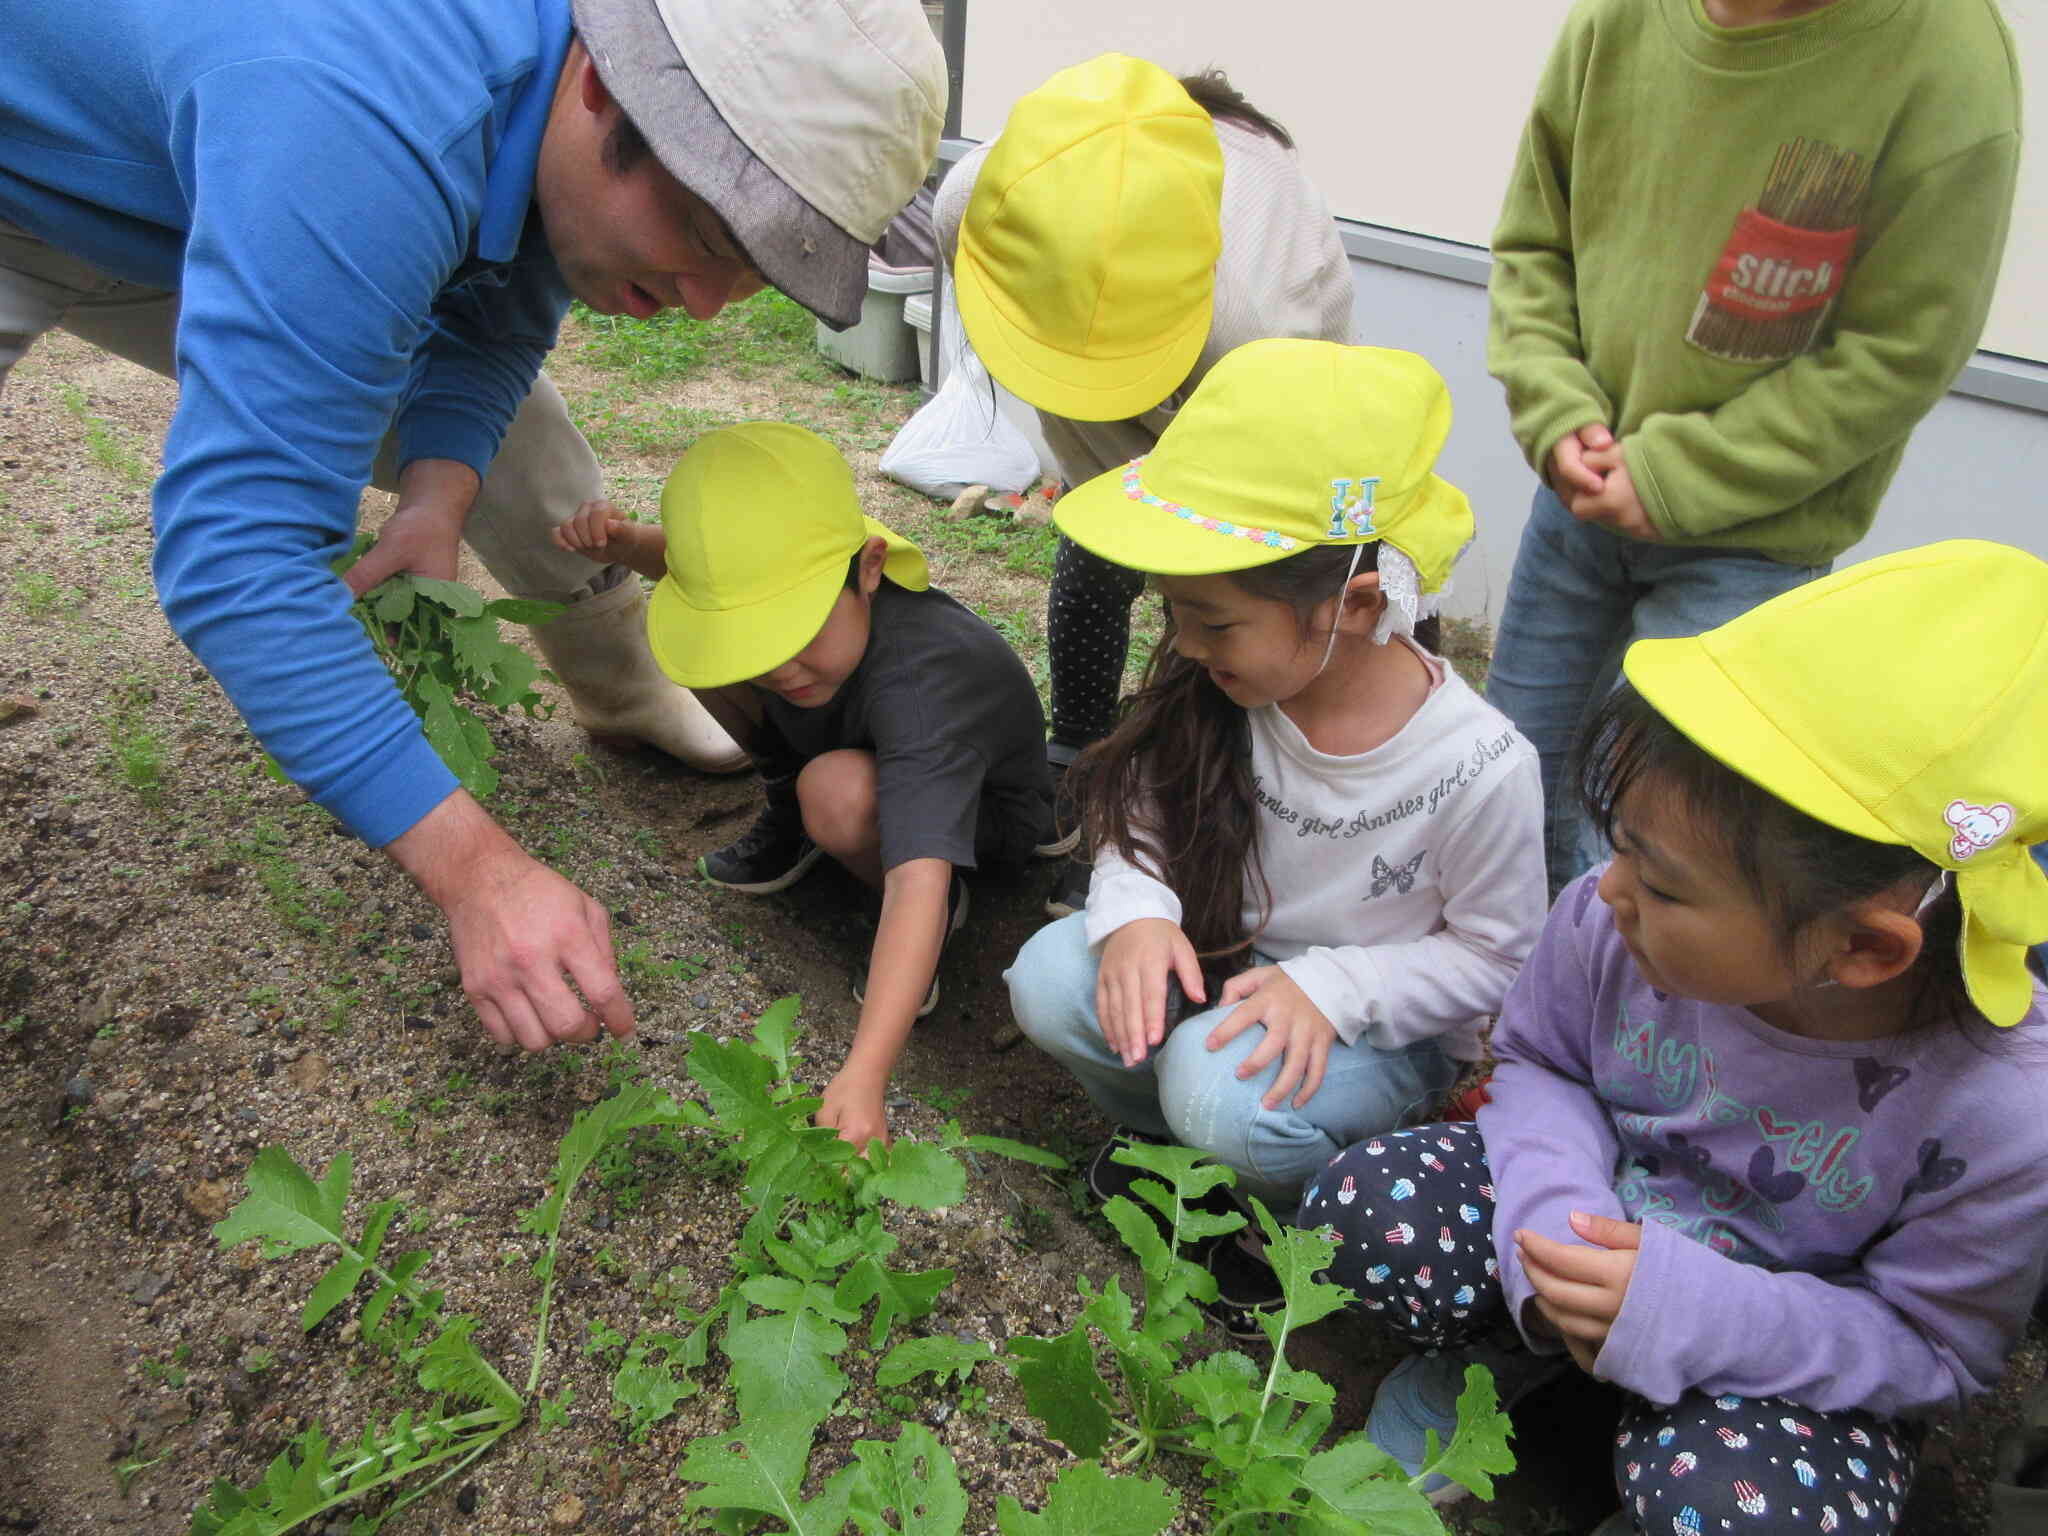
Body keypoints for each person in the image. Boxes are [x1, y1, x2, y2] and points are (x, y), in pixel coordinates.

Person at [0, 0, 946, 1050]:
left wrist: (434, 497)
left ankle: (625, 693)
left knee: (515, 439)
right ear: (601, 87)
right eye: (711, 236)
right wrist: (476, 873)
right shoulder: (360, 109)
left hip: (191, 168)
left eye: (755, 268)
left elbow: (504, 302)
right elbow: (239, 550)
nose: (709, 303)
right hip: (33, 160)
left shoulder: (552, 101)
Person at [1300, 540, 2048, 1532]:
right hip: (1594, 1222)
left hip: (1770, 1354)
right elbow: (1540, 1062)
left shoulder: (1998, 1106)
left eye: (1659, 883)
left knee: (1735, 1508)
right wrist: (1552, 1229)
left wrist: (1696, 1316)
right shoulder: (1608, 921)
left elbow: (1931, 1350)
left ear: (1863, 948)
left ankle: (1666, 1485)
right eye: (1618, 852)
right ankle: (1503, 1364)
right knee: (1362, 1210)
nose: (1606, 891)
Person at [1004, 340, 1547, 1311]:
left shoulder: (1476, 766)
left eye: (1211, 623)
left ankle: (1272, 1224)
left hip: (1369, 1026)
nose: (1183, 644)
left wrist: (1331, 986)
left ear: (1353, 606)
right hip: (1223, 962)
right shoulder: (1224, 681)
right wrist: (1133, 907)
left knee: (1219, 1092)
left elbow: (1497, 961)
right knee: (1052, 979)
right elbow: (1141, 812)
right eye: (1175, 616)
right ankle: (1166, 1149)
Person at [1482, 0, 2022, 895]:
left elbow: (1900, 350)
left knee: (1659, 834)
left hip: (1755, 545)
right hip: (1577, 504)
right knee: (1511, 775)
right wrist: (1554, 402)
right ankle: (1525, 1014)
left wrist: (1675, 476)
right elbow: (1539, 240)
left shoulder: (1948, 60)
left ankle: (1630, 1027)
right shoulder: (1617, 23)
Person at [862, 53, 1355, 919]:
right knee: (1095, 547)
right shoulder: (979, 204)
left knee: (1221, 621)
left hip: (1241, 389)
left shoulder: (1263, 322)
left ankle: (1182, 818)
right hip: (1118, 308)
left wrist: (1198, 598)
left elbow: (1270, 514)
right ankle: (1079, 754)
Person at [552, 422, 1055, 1150]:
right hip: (864, 735)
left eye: (797, 630)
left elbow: (918, 877)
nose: (781, 665)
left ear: (871, 569)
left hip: (986, 817)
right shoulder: (808, 566)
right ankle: (788, 807)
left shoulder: (923, 690)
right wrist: (626, 546)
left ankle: (936, 918)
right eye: (765, 635)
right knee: (713, 645)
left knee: (838, 795)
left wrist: (865, 1074)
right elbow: (705, 571)